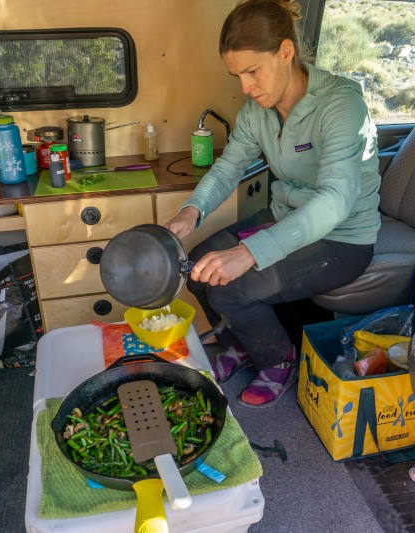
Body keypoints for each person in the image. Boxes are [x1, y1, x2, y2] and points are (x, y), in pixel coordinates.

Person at [164, 0, 381, 408]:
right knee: (195, 268)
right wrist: (192, 211)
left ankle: (279, 361)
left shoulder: (341, 104)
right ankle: (242, 343)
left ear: (285, 52)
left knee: (231, 289)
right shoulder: (256, 113)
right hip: (287, 218)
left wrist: (250, 253)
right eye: (237, 75)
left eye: (252, 71)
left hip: (343, 237)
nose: (245, 87)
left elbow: (335, 199)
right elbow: (228, 168)